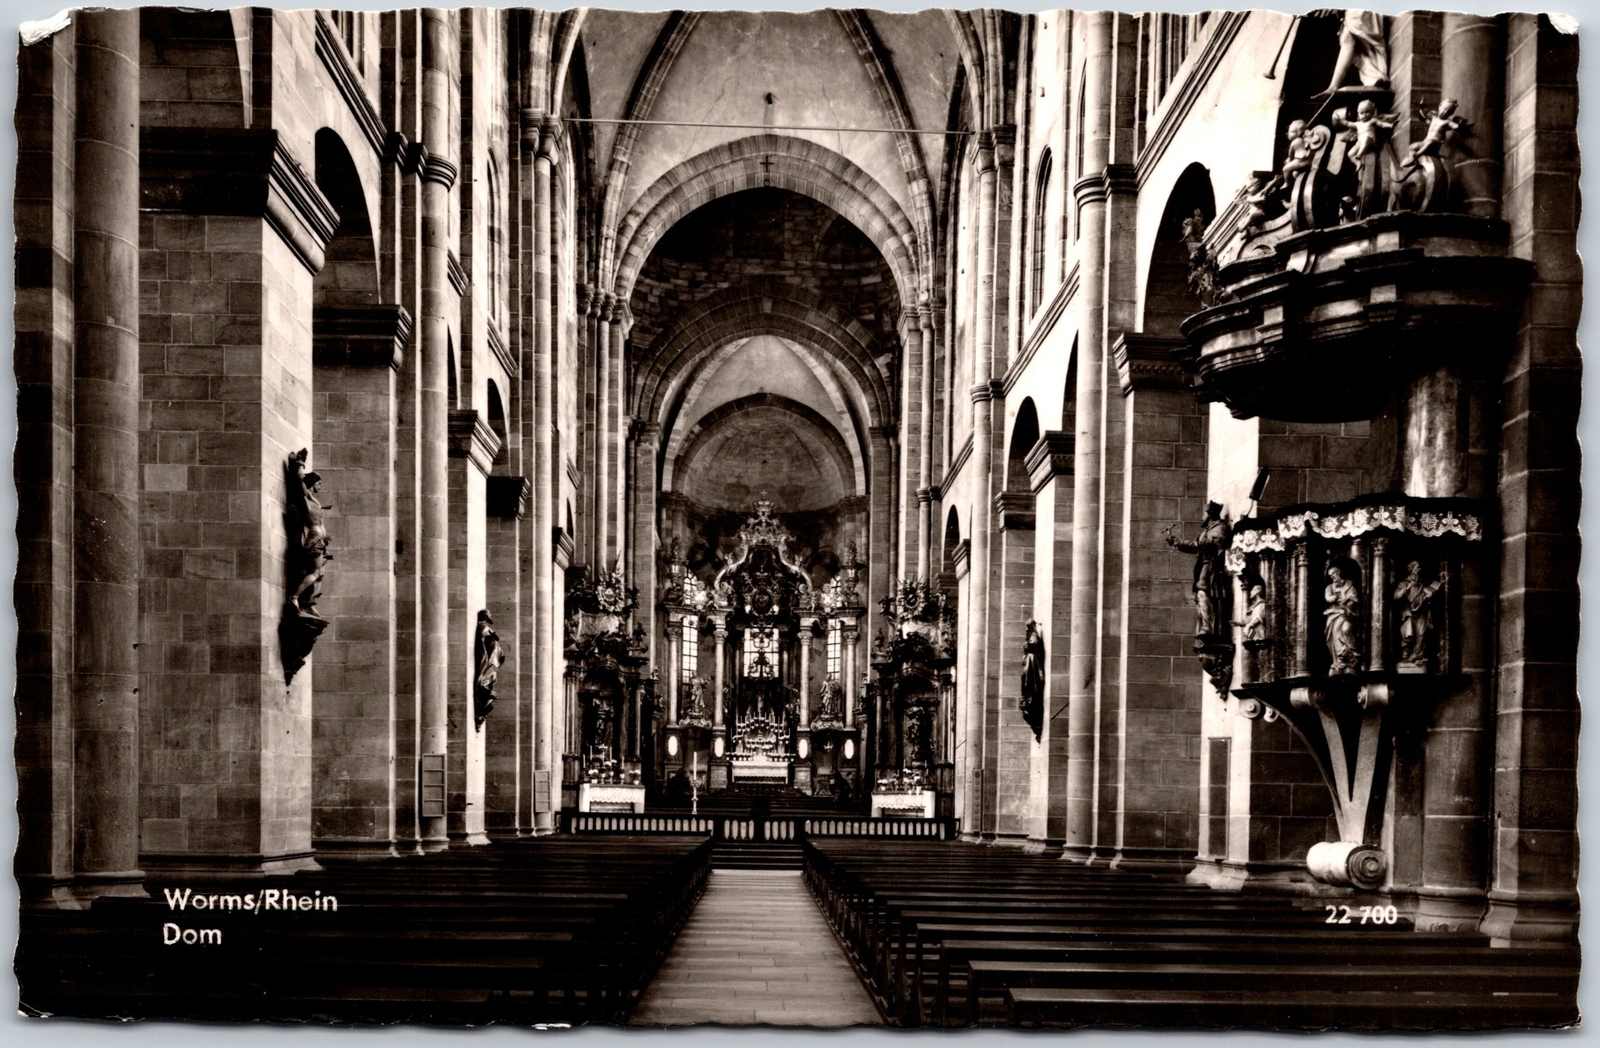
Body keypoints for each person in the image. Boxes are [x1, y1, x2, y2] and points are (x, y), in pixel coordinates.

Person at [1168, 502, 1233, 639]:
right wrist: (1178, 542)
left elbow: (1217, 542)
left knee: (1203, 591)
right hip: (1205, 565)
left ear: (1210, 514)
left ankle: (1208, 626)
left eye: (1204, 513)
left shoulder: (1220, 527)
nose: (1201, 517)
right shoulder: (1207, 531)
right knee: (1201, 594)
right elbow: (1194, 545)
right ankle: (1205, 624)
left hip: (1212, 566)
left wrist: (1202, 542)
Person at [1393, 560, 1444, 667]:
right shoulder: (1403, 583)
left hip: (1421, 613)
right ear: (1411, 570)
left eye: (1419, 568)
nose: (1419, 570)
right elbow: (1396, 596)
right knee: (1408, 635)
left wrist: (1428, 597)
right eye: (1417, 568)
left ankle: (1416, 657)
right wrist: (1408, 587)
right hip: (1408, 613)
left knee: (1421, 635)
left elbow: (1423, 599)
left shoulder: (1422, 585)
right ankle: (1405, 657)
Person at [1324, 564, 1362, 672]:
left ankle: (1352, 654)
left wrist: (1348, 601)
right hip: (1334, 613)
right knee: (1333, 635)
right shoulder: (1330, 587)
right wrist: (1333, 597)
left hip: (1347, 612)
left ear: (1338, 573)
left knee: (1346, 629)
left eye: (1334, 574)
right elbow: (1327, 597)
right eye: (1330, 575)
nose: (1333, 576)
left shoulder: (1349, 585)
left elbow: (1355, 597)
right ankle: (1338, 660)